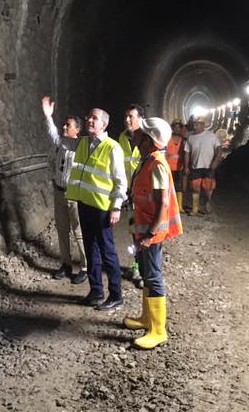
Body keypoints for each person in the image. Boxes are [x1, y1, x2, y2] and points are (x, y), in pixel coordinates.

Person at [123, 117, 182, 349]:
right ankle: (147, 319)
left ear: (148, 140)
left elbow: (163, 204)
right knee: (147, 274)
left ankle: (158, 331)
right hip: (143, 230)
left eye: (140, 133)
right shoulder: (147, 159)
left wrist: (149, 235)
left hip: (151, 233)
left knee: (154, 277)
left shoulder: (157, 164)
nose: (135, 135)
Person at [66, 108, 127, 310]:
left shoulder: (112, 147)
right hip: (85, 204)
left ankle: (116, 295)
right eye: (88, 117)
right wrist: (48, 117)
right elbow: (59, 142)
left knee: (107, 251)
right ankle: (96, 291)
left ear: (104, 124)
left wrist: (116, 207)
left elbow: (120, 180)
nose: (89, 120)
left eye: (94, 118)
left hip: (102, 208)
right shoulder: (83, 143)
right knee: (91, 250)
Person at [41, 96, 88, 284]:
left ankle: (85, 267)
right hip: (59, 192)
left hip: (74, 195)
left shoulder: (80, 147)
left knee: (79, 232)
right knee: (62, 230)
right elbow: (51, 161)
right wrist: (54, 178)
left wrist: (48, 118)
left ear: (77, 129)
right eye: (64, 125)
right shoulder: (60, 146)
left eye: (68, 125)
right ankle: (66, 264)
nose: (64, 128)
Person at [118, 104, 145, 287]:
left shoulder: (148, 137)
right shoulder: (122, 137)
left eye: (131, 116)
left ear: (141, 118)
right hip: (129, 193)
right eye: (126, 116)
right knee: (134, 232)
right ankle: (137, 266)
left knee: (146, 232)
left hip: (145, 194)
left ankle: (147, 270)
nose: (128, 119)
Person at [183, 116, 222, 215]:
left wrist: (216, 161)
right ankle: (195, 209)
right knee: (195, 188)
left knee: (208, 187)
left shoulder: (211, 136)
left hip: (209, 166)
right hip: (195, 167)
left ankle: (207, 201)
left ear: (202, 125)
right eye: (194, 124)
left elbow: (219, 149)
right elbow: (187, 152)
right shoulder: (190, 137)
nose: (194, 127)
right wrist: (186, 166)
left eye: (197, 124)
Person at [167, 119, 185, 213]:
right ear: (172, 128)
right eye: (175, 127)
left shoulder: (183, 140)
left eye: (179, 127)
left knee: (179, 187)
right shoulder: (167, 139)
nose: (177, 129)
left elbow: (186, 154)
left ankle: (179, 207)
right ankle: (169, 206)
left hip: (179, 167)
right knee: (168, 187)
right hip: (168, 167)